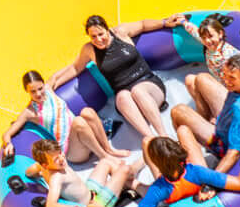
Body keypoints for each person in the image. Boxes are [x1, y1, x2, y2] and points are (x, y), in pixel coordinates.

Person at [175, 19, 240, 173]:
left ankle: (198, 171)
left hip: (222, 142)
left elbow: (233, 153)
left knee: (179, 114)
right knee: (201, 78)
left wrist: (212, 181)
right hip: (227, 118)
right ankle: (207, 122)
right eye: (225, 76)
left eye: (231, 78)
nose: (226, 81)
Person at [69, 15, 176, 150]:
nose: (98, 39)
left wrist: (164, 23)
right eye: (93, 36)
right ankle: (152, 141)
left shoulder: (120, 32)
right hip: (128, 101)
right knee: (122, 96)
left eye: (101, 34)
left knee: (138, 91)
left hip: (149, 86)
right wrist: (52, 82)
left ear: (107, 29)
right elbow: (75, 68)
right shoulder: (89, 49)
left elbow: (143, 24)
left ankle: (164, 136)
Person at [0, 69, 114, 170]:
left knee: (87, 112)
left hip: (86, 136)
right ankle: (104, 157)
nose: (38, 94)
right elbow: (7, 134)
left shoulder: (49, 89)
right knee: (78, 122)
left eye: (40, 88)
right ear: (26, 91)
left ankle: (108, 149)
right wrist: (8, 144)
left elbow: (71, 68)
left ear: (43, 84)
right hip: (72, 150)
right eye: (33, 91)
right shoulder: (29, 112)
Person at [94, 135, 210, 207]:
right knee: (152, 140)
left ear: (157, 165)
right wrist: (210, 188)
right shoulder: (197, 171)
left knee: (146, 143)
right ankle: (132, 169)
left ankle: (131, 171)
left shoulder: (157, 190)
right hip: (181, 187)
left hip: (167, 196)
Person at [21, 135, 105, 207]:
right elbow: (50, 206)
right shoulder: (56, 178)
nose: (61, 158)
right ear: (45, 165)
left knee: (105, 162)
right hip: (93, 204)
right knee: (111, 165)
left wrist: (40, 171)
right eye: (56, 159)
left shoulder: (53, 164)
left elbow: (28, 172)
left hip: (90, 191)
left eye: (60, 153)